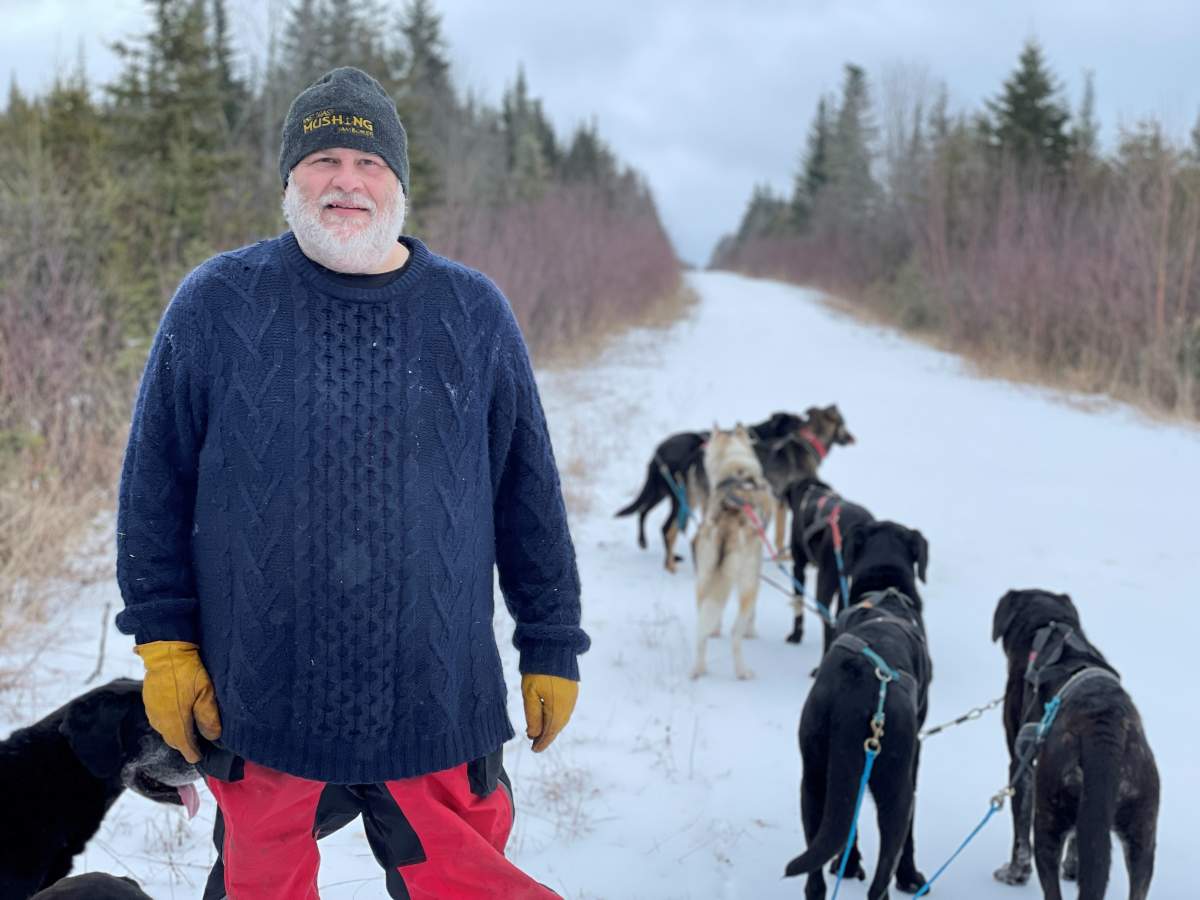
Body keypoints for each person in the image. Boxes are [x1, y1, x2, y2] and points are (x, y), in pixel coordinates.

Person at [114, 66, 589, 900]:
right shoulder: (216, 303)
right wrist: (164, 642)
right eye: (324, 159)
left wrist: (551, 642)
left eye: (369, 163)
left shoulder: (472, 312)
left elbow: (528, 496)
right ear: (289, 180)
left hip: (437, 696)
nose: (346, 181)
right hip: (262, 697)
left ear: (398, 183)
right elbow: (154, 488)